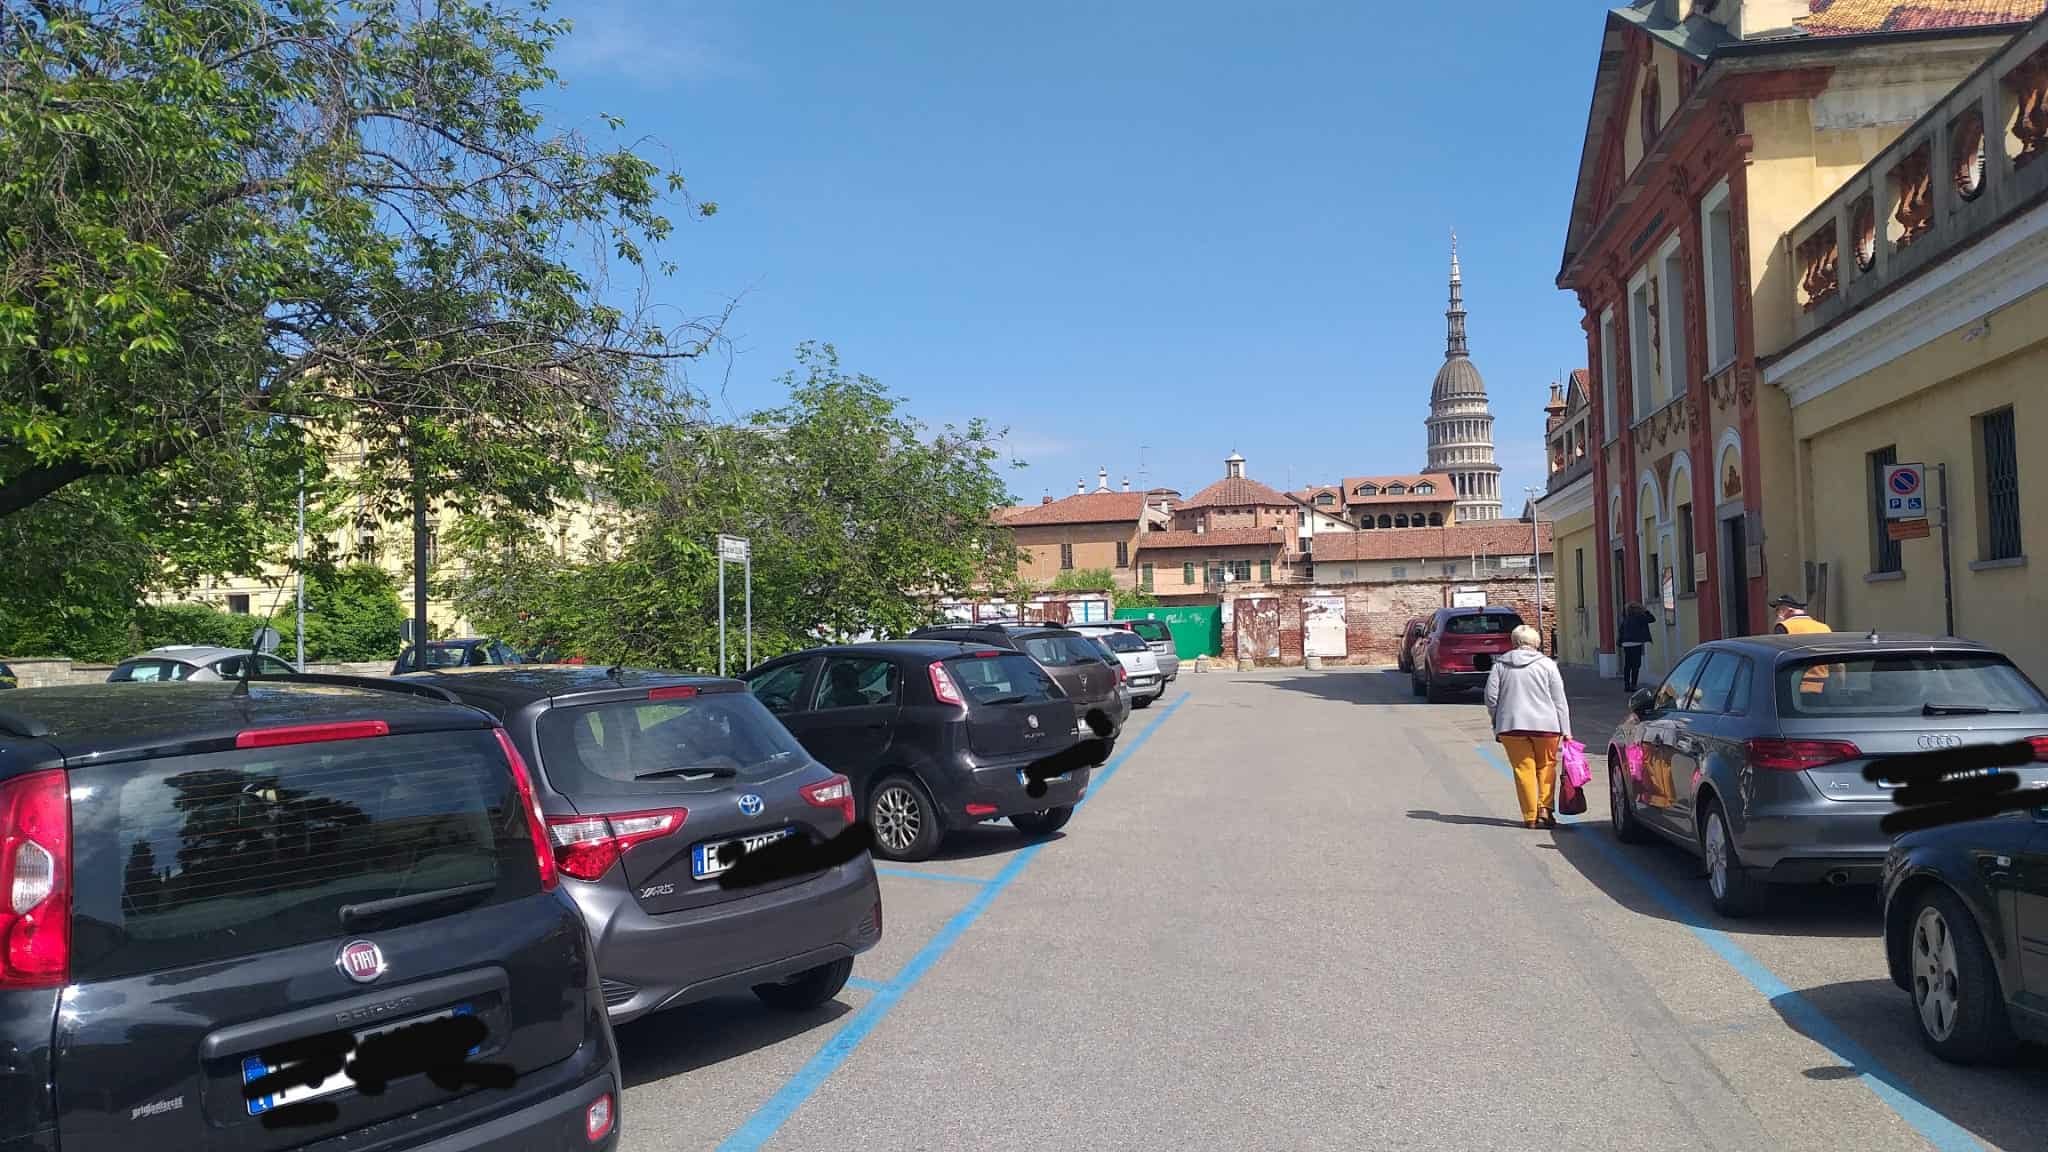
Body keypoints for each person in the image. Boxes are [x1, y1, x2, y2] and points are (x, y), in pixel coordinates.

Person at [1486, 624, 1574, 830]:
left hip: (1511, 726)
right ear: (1536, 642)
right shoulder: (1547, 665)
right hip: (1547, 726)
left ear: (1514, 642)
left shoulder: (1500, 665)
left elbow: (1491, 698)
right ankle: (1545, 808)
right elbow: (1559, 700)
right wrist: (1566, 730)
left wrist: (1497, 720)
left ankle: (1530, 816)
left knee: (1523, 769)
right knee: (1546, 766)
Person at [1769, 594, 1833, 695]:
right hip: (1825, 685)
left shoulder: (1784, 626)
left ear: (1788, 610)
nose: (1776, 614)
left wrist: (1779, 620)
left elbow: (1776, 656)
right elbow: (1837, 663)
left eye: (1777, 610)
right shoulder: (1824, 627)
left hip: (1799, 686)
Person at [1617, 601, 1657, 692]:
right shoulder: (1640, 617)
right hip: (1636, 643)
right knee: (1636, 665)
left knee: (1628, 665)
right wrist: (1646, 611)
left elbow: (1621, 631)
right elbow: (1652, 619)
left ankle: (1627, 685)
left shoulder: (1626, 619)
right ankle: (1633, 685)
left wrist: (1620, 642)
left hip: (1626, 644)